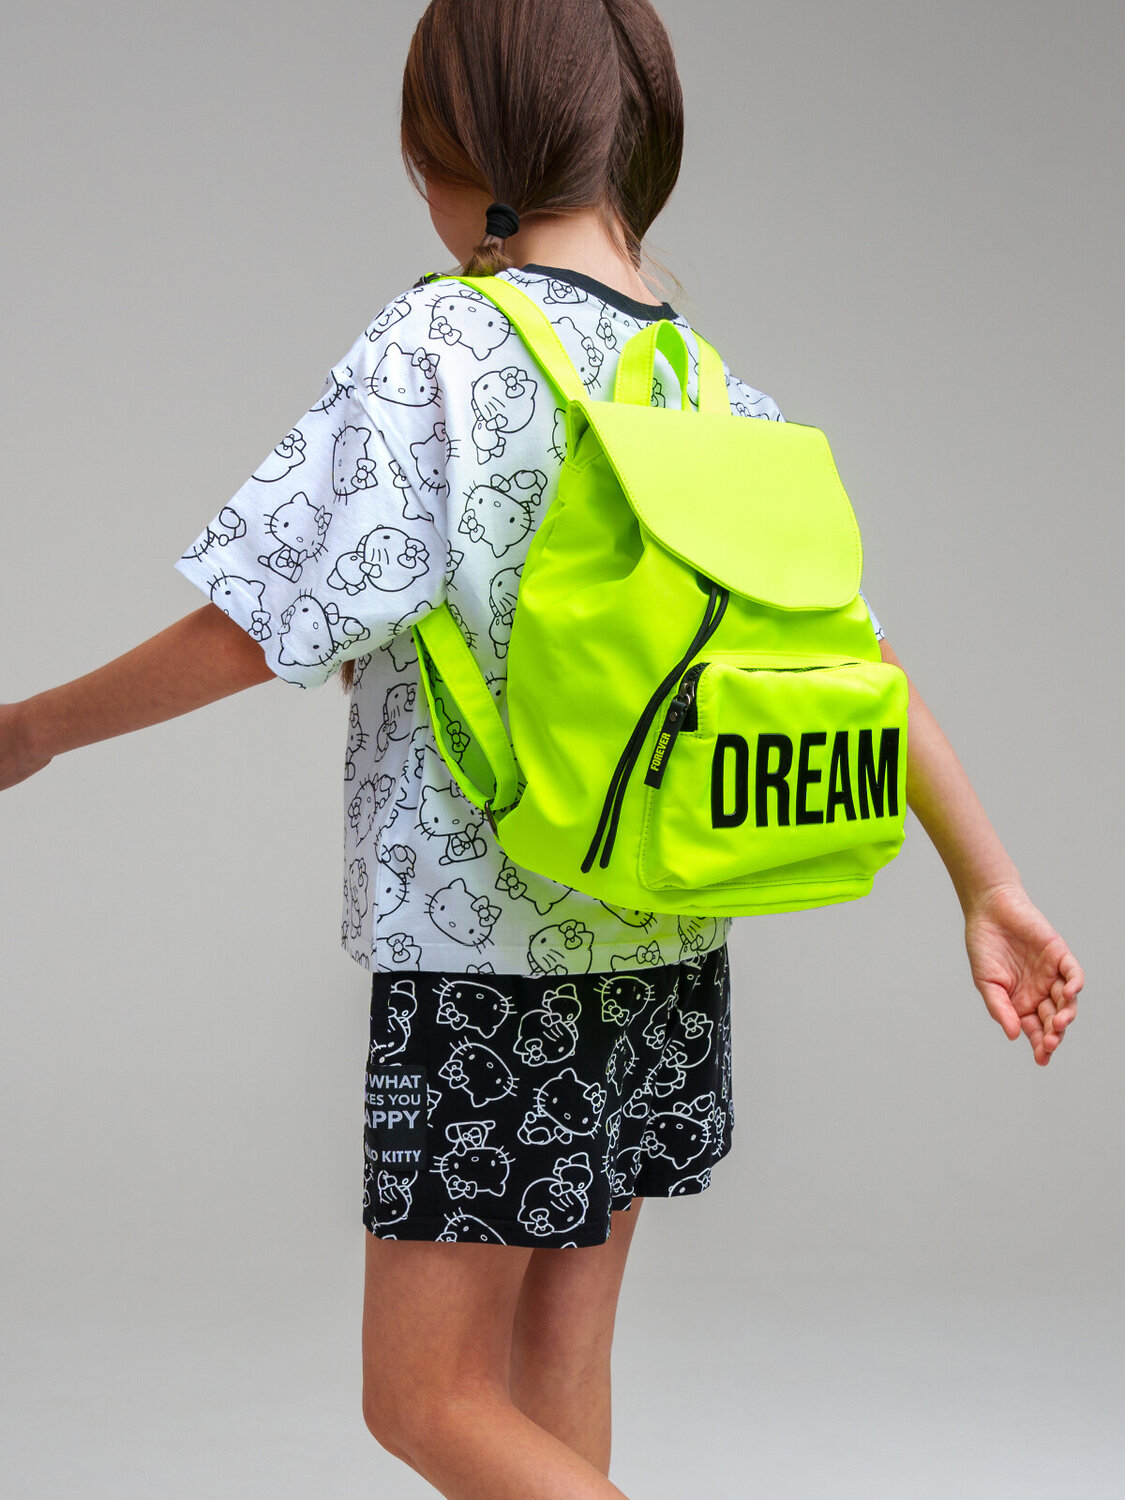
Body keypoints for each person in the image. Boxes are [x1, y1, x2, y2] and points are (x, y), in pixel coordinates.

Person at [0, 2, 1085, 1497]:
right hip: (663, 940)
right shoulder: (712, 389)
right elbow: (865, 669)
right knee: (553, 1364)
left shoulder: (441, 346)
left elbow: (260, 622)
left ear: (459, 145)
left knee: (425, 1398)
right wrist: (988, 882)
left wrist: (32, 731)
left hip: (484, 958)